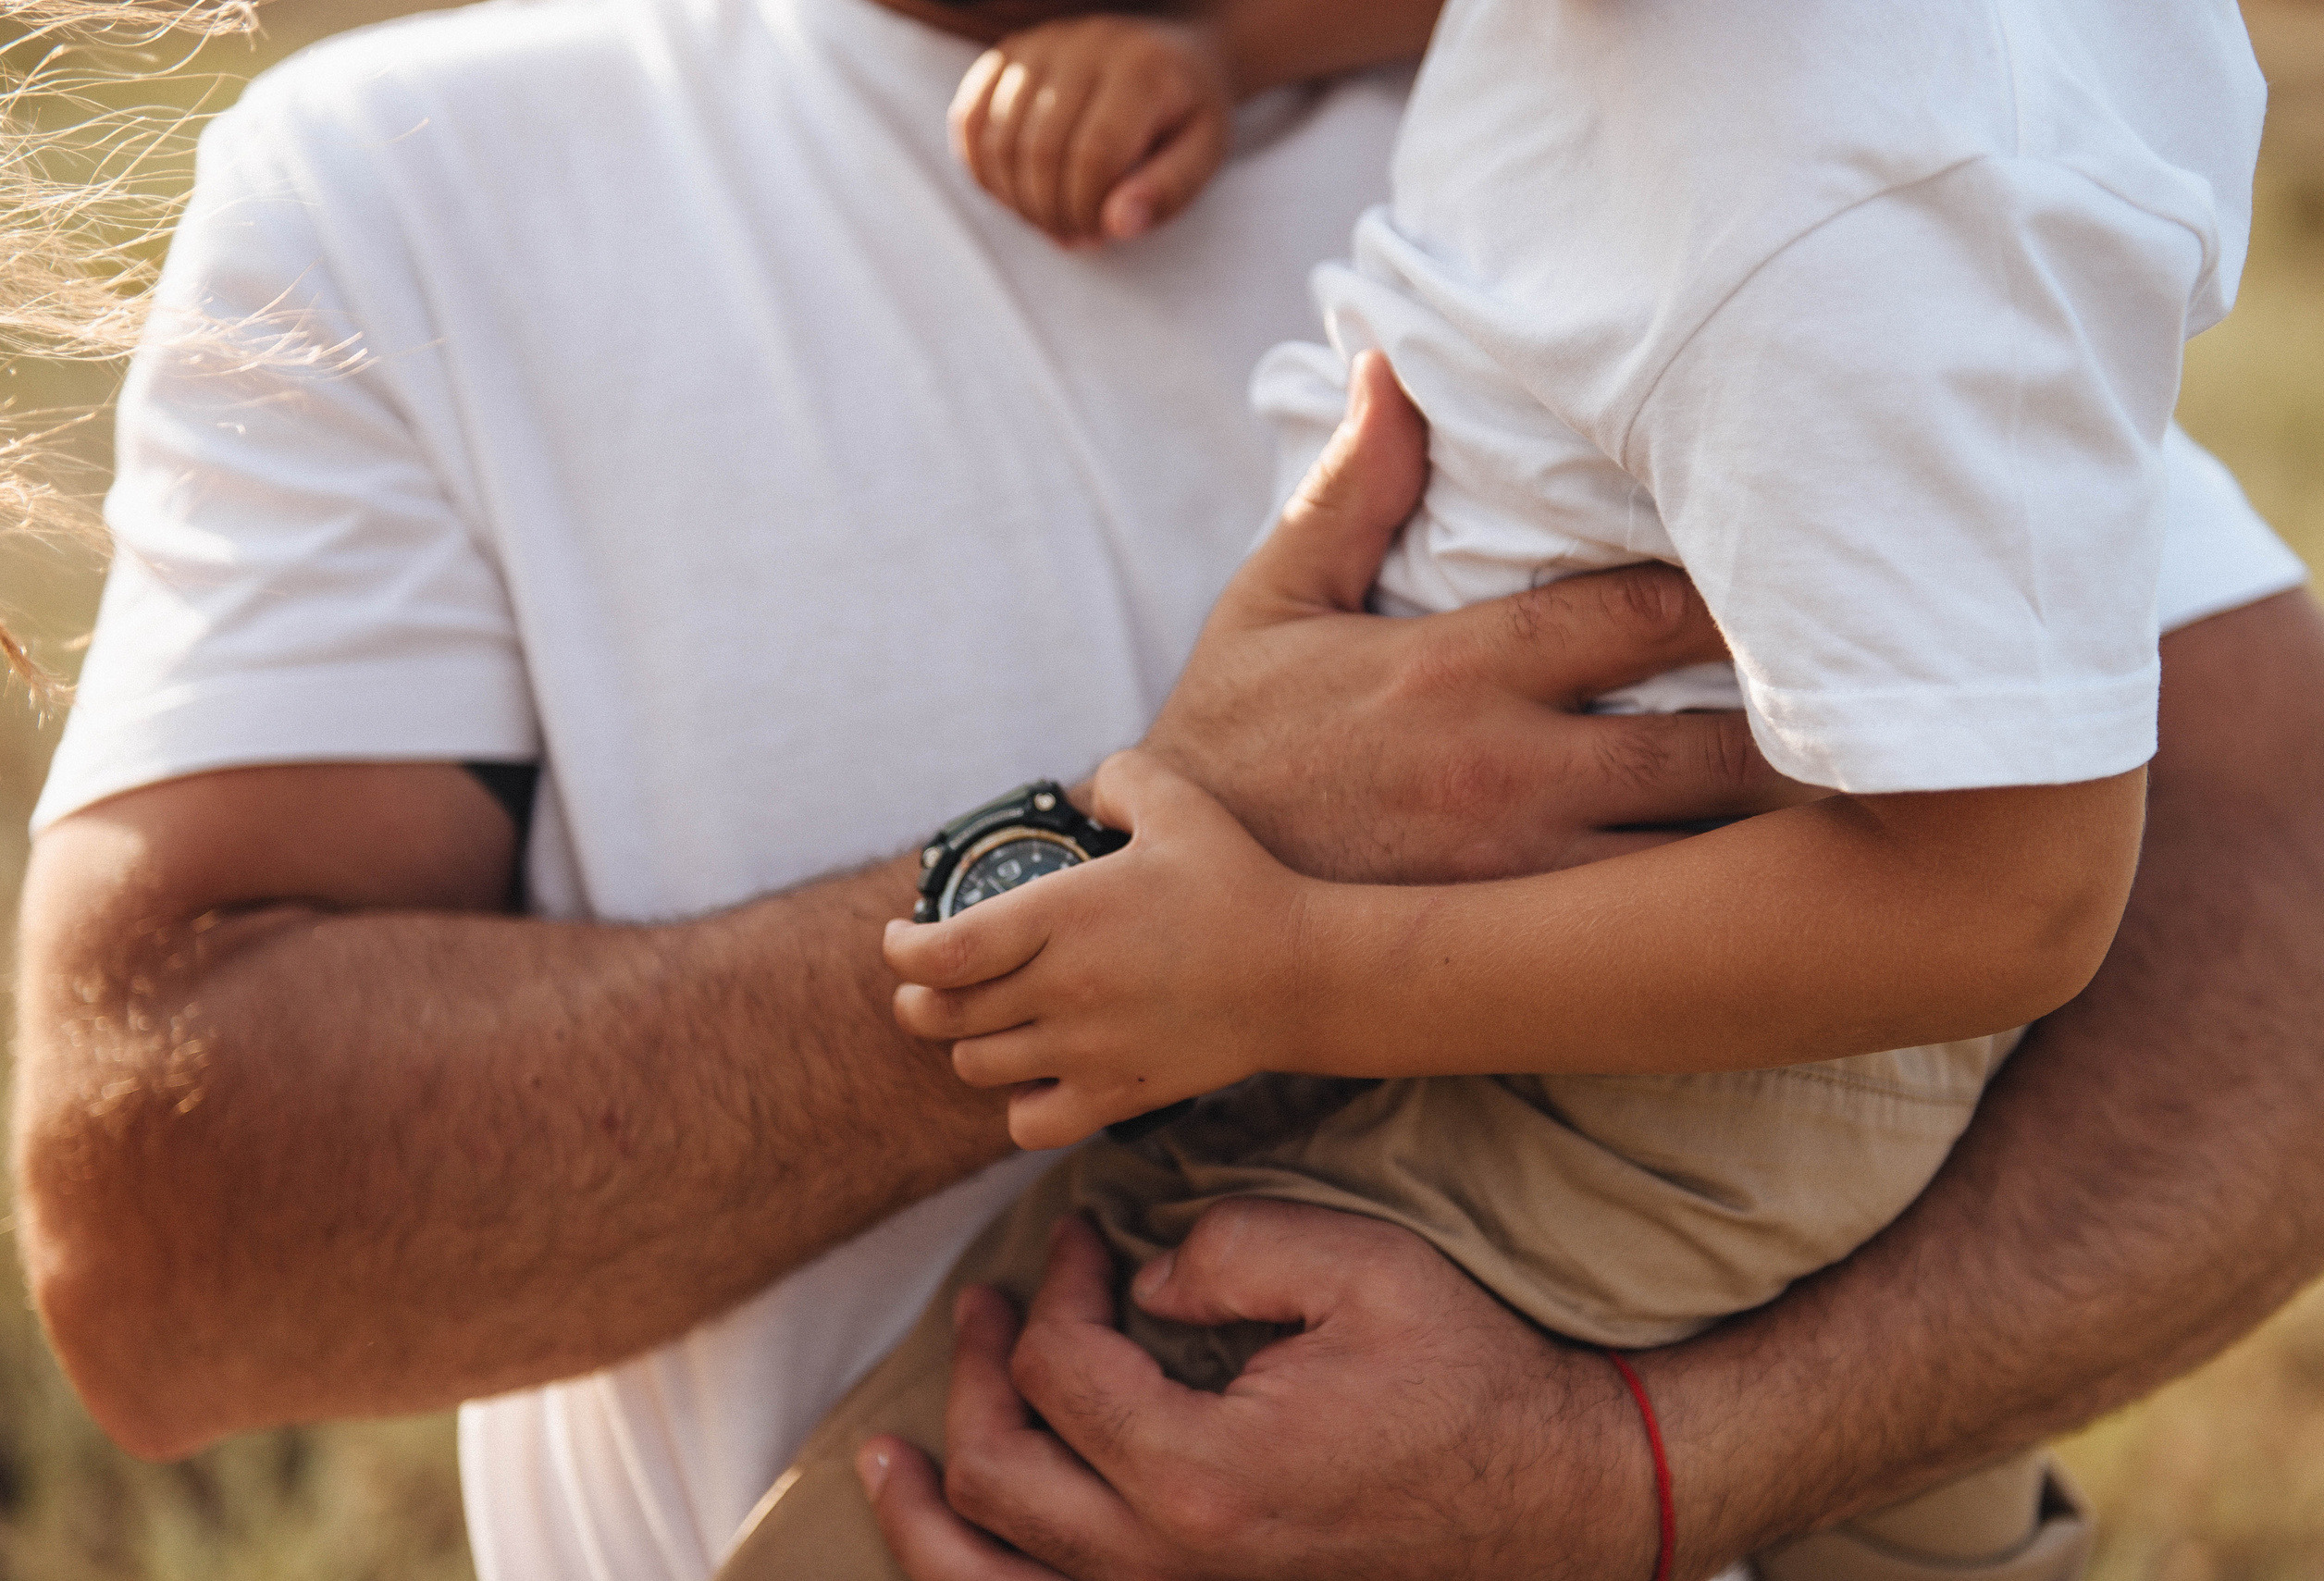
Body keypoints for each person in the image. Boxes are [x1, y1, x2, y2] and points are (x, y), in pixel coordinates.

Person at [5, 0, 2321, 1579]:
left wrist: (1648, 1473)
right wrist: (1133, 871)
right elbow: (167, 1263)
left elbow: (2246, 878)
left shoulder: (1816, 141)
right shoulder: (405, 186)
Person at [723, 1, 2270, 1571]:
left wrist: (1292, 973)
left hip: (1642, 1031)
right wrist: (1234, 48)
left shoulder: (1884, 189)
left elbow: (2009, 899)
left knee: (971, 1489)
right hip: (1588, 979)